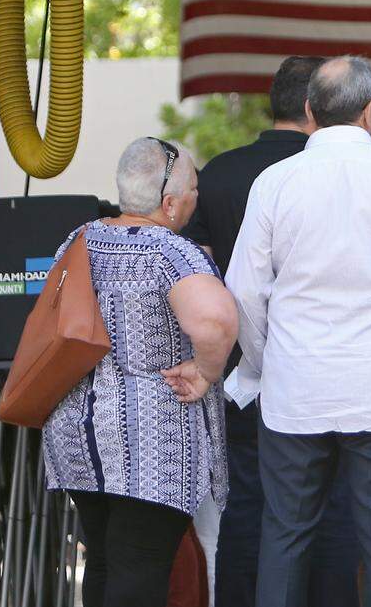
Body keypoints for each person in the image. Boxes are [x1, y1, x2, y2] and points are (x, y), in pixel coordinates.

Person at [225, 56, 371, 607]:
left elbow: (243, 290)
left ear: (309, 112)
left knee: (284, 535)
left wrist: (262, 366)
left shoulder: (274, 183)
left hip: (295, 391)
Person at [181, 56, 360, 607]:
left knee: (249, 502)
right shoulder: (343, 175)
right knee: (330, 504)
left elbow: (199, 275)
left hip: (240, 369)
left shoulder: (219, 174)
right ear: (316, 107)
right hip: (326, 367)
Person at [42, 137, 238, 607]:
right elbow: (214, 320)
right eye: (194, 187)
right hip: (149, 439)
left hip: (77, 429)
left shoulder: (80, 237)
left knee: (106, 559)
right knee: (142, 563)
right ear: (169, 203)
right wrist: (206, 371)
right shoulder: (172, 251)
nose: (197, 196)